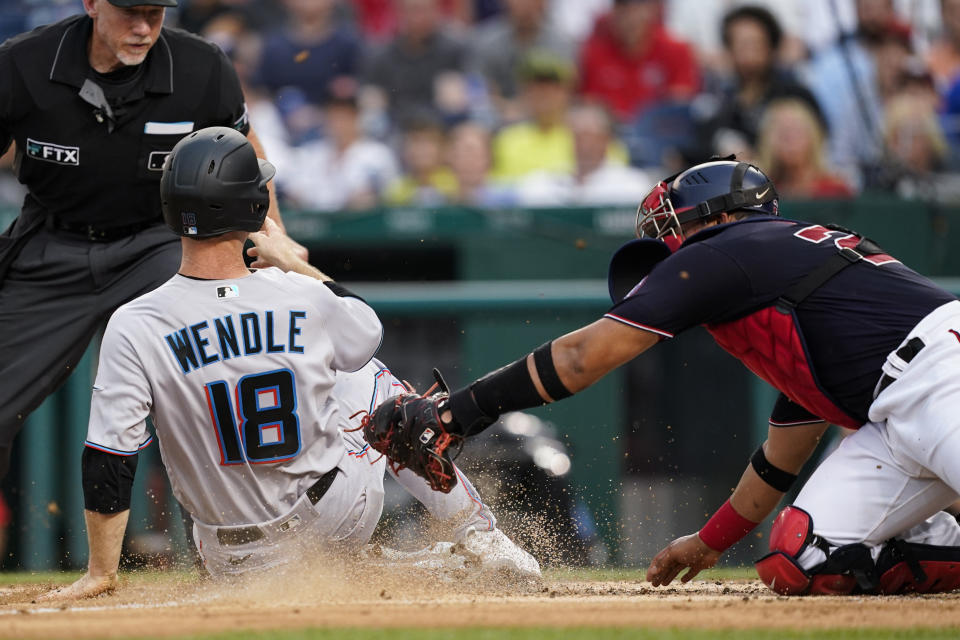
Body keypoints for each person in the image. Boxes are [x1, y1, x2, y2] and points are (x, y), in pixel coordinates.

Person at [382, 157, 960, 596]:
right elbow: (781, 457)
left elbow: (584, 358)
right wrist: (707, 544)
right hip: (892, 412)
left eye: (673, 226)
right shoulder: (785, 290)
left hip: (941, 372)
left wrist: (457, 413)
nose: (667, 245)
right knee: (799, 558)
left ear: (723, 216)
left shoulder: (726, 247)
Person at [41, 127, 539, 599]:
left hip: (226, 556)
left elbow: (109, 458)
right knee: (380, 386)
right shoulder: (297, 294)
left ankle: (349, 569)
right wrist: (292, 261)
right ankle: (480, 537)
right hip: (331, 516)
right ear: (253, 208)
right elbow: (364, 330)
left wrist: (101, 572)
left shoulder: (133, 322)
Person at [0, 0, 305, 483]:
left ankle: (242, 549)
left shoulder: (199, 65)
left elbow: (242, 150)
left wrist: (275, 236)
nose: (143, 27)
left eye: (154, 13)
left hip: (159, 242)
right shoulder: (24, 63)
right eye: (129, 12)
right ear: (92, 4)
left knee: (216, 389)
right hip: (52, 242)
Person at [754, 98, 853, 200]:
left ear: (813, 137)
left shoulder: (835, 190)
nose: (790, 141)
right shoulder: (760, 192)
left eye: (796, 132)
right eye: (783, 134)